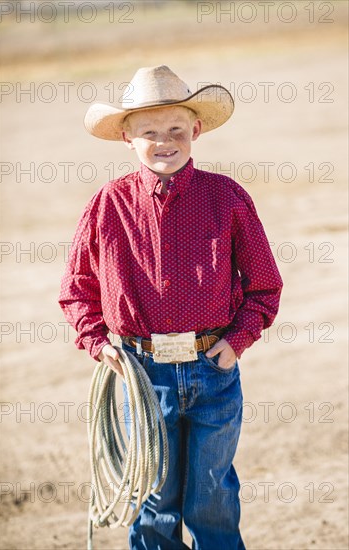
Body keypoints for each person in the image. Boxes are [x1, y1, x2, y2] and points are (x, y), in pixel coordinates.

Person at [59, 65, 283, 550]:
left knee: (213, 495)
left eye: (176, 130)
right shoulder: (107, 206)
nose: (165, 141)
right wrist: (99, 344)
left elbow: (264, 285)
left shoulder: (227, 198)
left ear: (195, 131)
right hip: (142, 373)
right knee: (156, 499)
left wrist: (237, 341)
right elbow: (78, 289)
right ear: (127, 137)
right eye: (149, 132)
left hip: (212, 368)